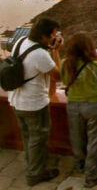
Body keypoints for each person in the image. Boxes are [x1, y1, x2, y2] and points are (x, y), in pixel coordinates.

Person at [8, 17, 63, 186]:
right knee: (38, 138)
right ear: (44, 37)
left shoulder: (21, 41)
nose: (55, 37)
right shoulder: (40, 54)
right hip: (33, 104)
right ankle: (35, 174)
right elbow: (58, 75)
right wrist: (56, 50)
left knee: (27, 136)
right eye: (53, 35)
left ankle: (32, 164)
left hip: (16, 100)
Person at [60, 32, 97, 188]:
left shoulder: (65, 63)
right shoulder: (94, 65)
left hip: (73, 105)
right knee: (96, 140)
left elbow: (64, 81)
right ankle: (92, 174)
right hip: (94, 106)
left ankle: (79, 165)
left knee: (77, 137)